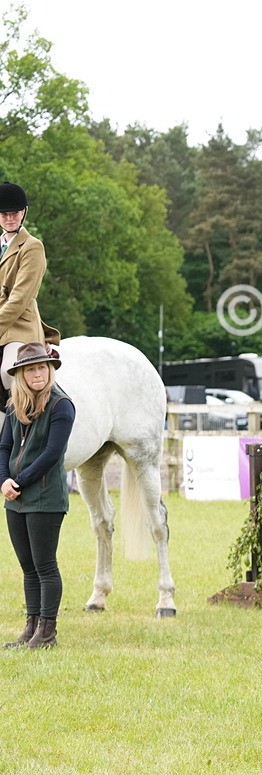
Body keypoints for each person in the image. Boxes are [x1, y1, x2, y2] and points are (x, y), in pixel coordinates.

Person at [1, 342, 75, 649]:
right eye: (31, 369)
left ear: (50, 369)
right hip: (15, 497)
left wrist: (18, 481)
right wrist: (3, 479)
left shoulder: (61, 406)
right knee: (27, 567)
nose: (37, 374)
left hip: (45, 496)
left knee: (45, 566)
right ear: (21, 374)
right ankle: (31, 627)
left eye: (42, 368)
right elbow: (4, 447)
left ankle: (47, 633)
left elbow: (51, 453)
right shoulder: (14, 406)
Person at [0, 182, 52, 408]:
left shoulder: (32, 247)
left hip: (18, 326)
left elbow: (19, 299)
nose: (9, 218)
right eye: (4, 214)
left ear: (24, 213)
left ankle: (25, 433)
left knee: (8, 371)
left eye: (15, 213)